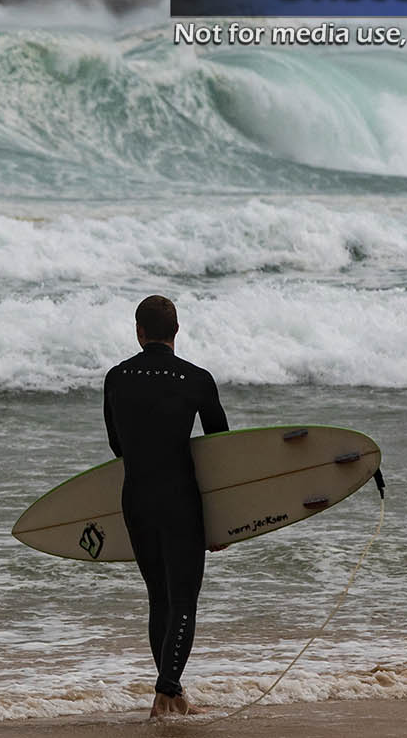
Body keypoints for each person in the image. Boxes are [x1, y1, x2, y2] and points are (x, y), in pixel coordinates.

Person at [102, 294, 229, 718]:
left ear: (138, 332)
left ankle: (173, 695)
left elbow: (117, 445)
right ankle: (165, 692)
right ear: (176, 331)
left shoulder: (116, 378)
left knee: (159, 598)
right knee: (184, 601)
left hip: (136, 499)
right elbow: (220, 449)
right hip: (180, 502)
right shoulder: (196, 379)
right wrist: (227, 523)